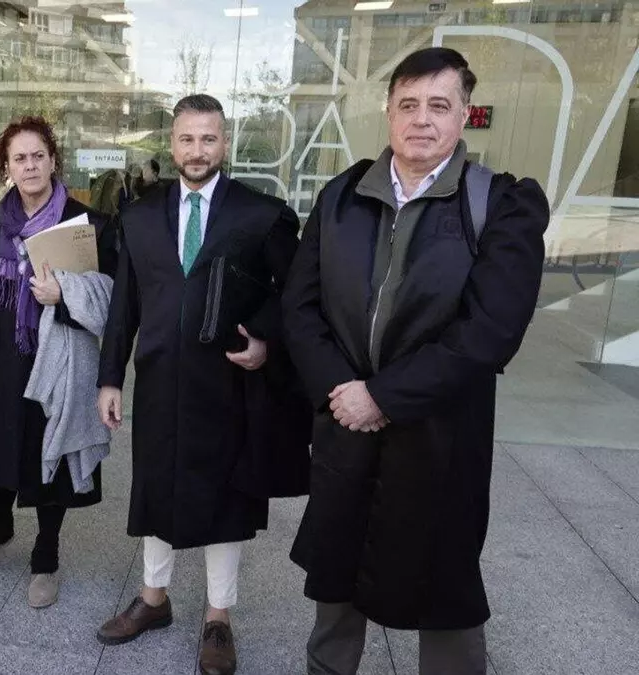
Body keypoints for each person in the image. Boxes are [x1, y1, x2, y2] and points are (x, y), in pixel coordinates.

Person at [281, 47, 549, 675]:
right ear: (389, 112)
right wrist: (342, 390)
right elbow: (300, 306)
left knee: (443, 580)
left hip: (438, 434)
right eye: (408, 104)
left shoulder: (501, 204)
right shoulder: (342, 196)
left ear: (464, 114)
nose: (421, 119)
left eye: (438, 105)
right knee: (337, 569)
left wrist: (384, 396)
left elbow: (491, 331)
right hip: (346, 423)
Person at [96, 94, 310, 675]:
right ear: (172, 144)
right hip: (159, 381)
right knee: (154, 487)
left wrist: (264, 340)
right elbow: (124, 305)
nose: (197, 151)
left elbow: (295, 292)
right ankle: (153, 599)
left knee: (225, 499)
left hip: (229, 384)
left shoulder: (261, 214)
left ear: (225, 143)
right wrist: (110, 377)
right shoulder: (139, 217)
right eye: (187, 139)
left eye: (209, 139)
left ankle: (219, 617)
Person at [0, 115, 118, 609]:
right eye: (19, 158)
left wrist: (63, 295)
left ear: (53, 161)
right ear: (5, 167)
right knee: (0, 444)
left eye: (38, 156)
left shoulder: (87, 224)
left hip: (59, 355)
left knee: (51, 449)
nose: (29, 166)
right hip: (0, 356)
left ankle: (46, 553)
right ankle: (0, 525)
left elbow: (110, 300)